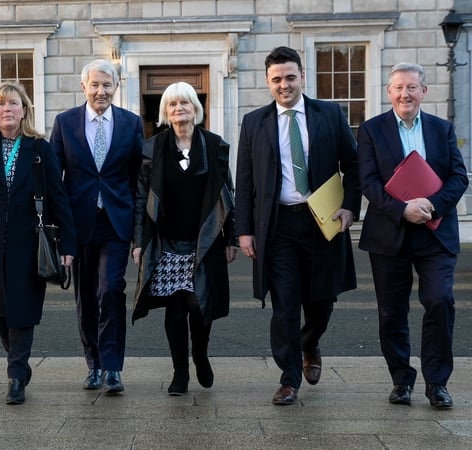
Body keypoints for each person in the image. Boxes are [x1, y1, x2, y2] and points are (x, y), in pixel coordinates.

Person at [234, 46, 361, 405]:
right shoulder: (254, 122)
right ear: (267, 82)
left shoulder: (330, 115)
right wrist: (243, 230)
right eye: (276, 79)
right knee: (285, 306)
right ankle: (289, 378)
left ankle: (310, 342)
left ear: (302, 77)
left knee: (321, 303)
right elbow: (244, 181)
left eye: (290, 77)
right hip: (278, 228)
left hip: (323, 224)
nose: (284, 85)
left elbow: (353, 166)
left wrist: (351, 207)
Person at [357, 63, 468, 409]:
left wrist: (432, 205)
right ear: (389, 92)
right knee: (391, 312)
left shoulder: (441, 129)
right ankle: (401, 380)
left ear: (424, 91)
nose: (405, 94)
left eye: (412, 87)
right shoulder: (371, 130)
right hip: (390, 233)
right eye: (399, 87)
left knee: (439, 300)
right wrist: (402, 209)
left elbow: (458, 177)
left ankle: (437, 383)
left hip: (435, 234)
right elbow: (369, 182)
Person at [0, 82, 76, 405]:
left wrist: (67, 244)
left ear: (24, 110)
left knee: (21, 310)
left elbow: (58, 197)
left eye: (13, 103)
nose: (6, 109)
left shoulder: (39, 148)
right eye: (0, 105)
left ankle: (14, 378)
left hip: (29, 244)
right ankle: (20, 362)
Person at [132, 82, 237, 395]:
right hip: (166, 244)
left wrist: (230, 237)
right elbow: (140, 198)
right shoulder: (153, 148)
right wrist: (138, 241)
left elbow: (227, 196)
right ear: (165, 112)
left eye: (185, 103)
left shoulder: (215, 146)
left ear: (196, 109)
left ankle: (200, 355)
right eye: (173, 104)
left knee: (200, 305)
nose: (179, 109)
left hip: (203, 243)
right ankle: (180, 372)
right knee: (176, 308)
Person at [49, 59, 143, 394]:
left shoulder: (131, 124)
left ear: (116, 86)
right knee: (86, 297)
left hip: (115, 223)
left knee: (112, 291)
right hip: (78, 225)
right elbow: (54, 184)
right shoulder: (65, 123)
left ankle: (113, 367)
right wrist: (59, 235)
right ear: (83, 86)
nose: (100, 91)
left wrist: (137, 235)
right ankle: (94, 365)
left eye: (107, 84)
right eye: (94, 85)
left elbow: (137, 182)